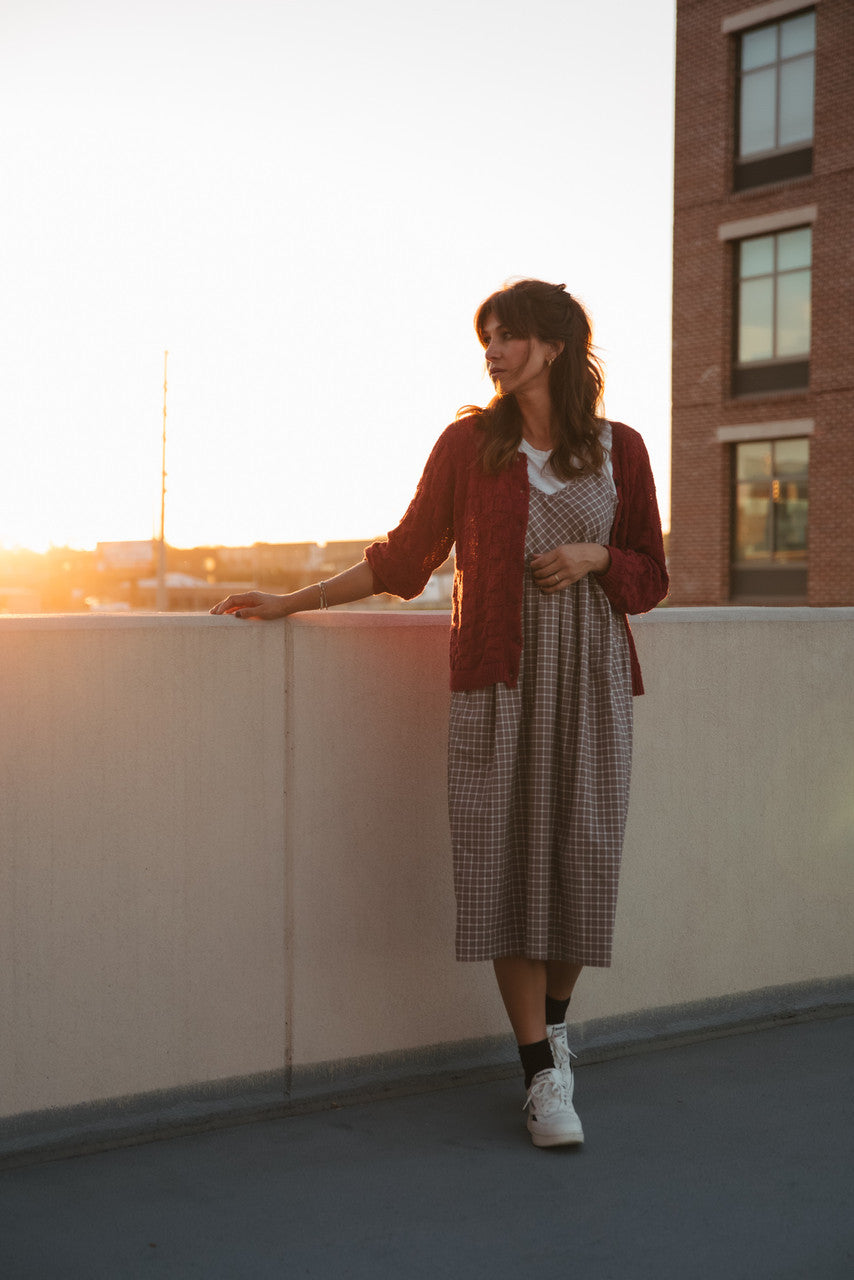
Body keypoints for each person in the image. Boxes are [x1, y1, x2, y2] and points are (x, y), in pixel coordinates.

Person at [211, 278, 668, 1148]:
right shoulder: (469, 447)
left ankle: (558, 1030)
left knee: (582, 860)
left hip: (590, 686)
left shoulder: (624, 449)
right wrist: (291, 601)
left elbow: (651, 576)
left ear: (556, 345)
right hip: (498, 683)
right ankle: (540, 1076)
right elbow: (404, 558)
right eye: (486, 338)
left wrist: (595, 554)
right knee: (503, 866)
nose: (492, 352)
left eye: (507, 336)